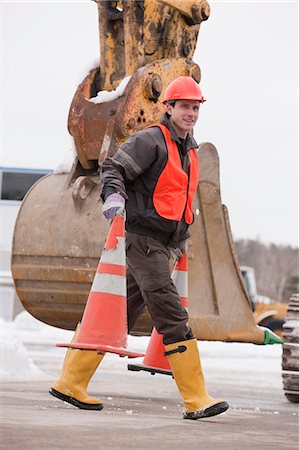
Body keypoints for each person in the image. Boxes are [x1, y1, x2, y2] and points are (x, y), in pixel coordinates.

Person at [50, 76, 229, 420]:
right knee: (172, 314)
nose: (191, 113)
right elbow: (114, 168)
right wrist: (113, 197)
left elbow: (179, 200)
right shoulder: (151, 141)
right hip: (142, 240)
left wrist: (180, 241)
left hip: (162, 245)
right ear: (169, 108)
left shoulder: (189, 150)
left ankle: (70, 381)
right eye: (184, 107)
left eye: (195, 108)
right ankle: (196, 398)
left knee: (117, 314)